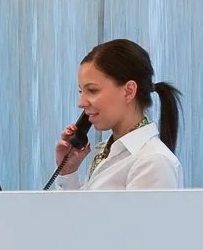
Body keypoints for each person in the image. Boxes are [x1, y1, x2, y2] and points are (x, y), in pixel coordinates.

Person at [54, 38, 183, 190]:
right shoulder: (108, 152)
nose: (81, 103)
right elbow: (79, 212)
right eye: (81, 91)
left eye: (92, 90)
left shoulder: (152, 162)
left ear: (128, 91)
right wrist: (68, 170)